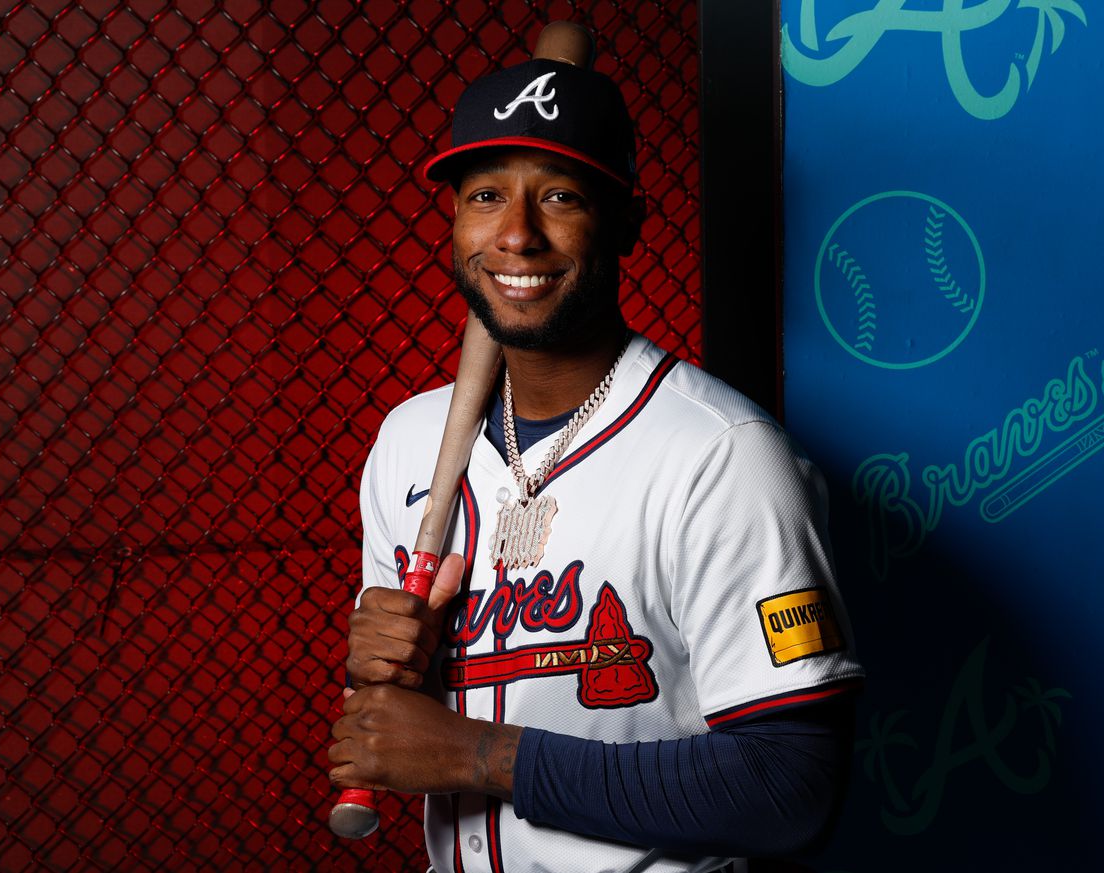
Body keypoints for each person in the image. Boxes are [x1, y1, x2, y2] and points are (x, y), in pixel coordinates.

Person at [328, 48, 864, 873]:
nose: (515, 234)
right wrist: (395, 663)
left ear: (627, 224)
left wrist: (478, 755)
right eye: (485, 196)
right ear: (454, 219)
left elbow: (791, 787)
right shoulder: (410, 437)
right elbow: (403, 731)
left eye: (560, 196)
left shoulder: (722, 457)